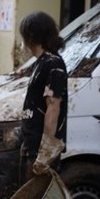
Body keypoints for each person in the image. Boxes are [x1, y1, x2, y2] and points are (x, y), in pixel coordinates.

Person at [18, 11, 67, 175]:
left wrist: (45, 153)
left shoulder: (53, 63)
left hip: (40, 150)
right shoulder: (41, 63)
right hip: (31, 145)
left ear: (30, 36)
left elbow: (53, 109)